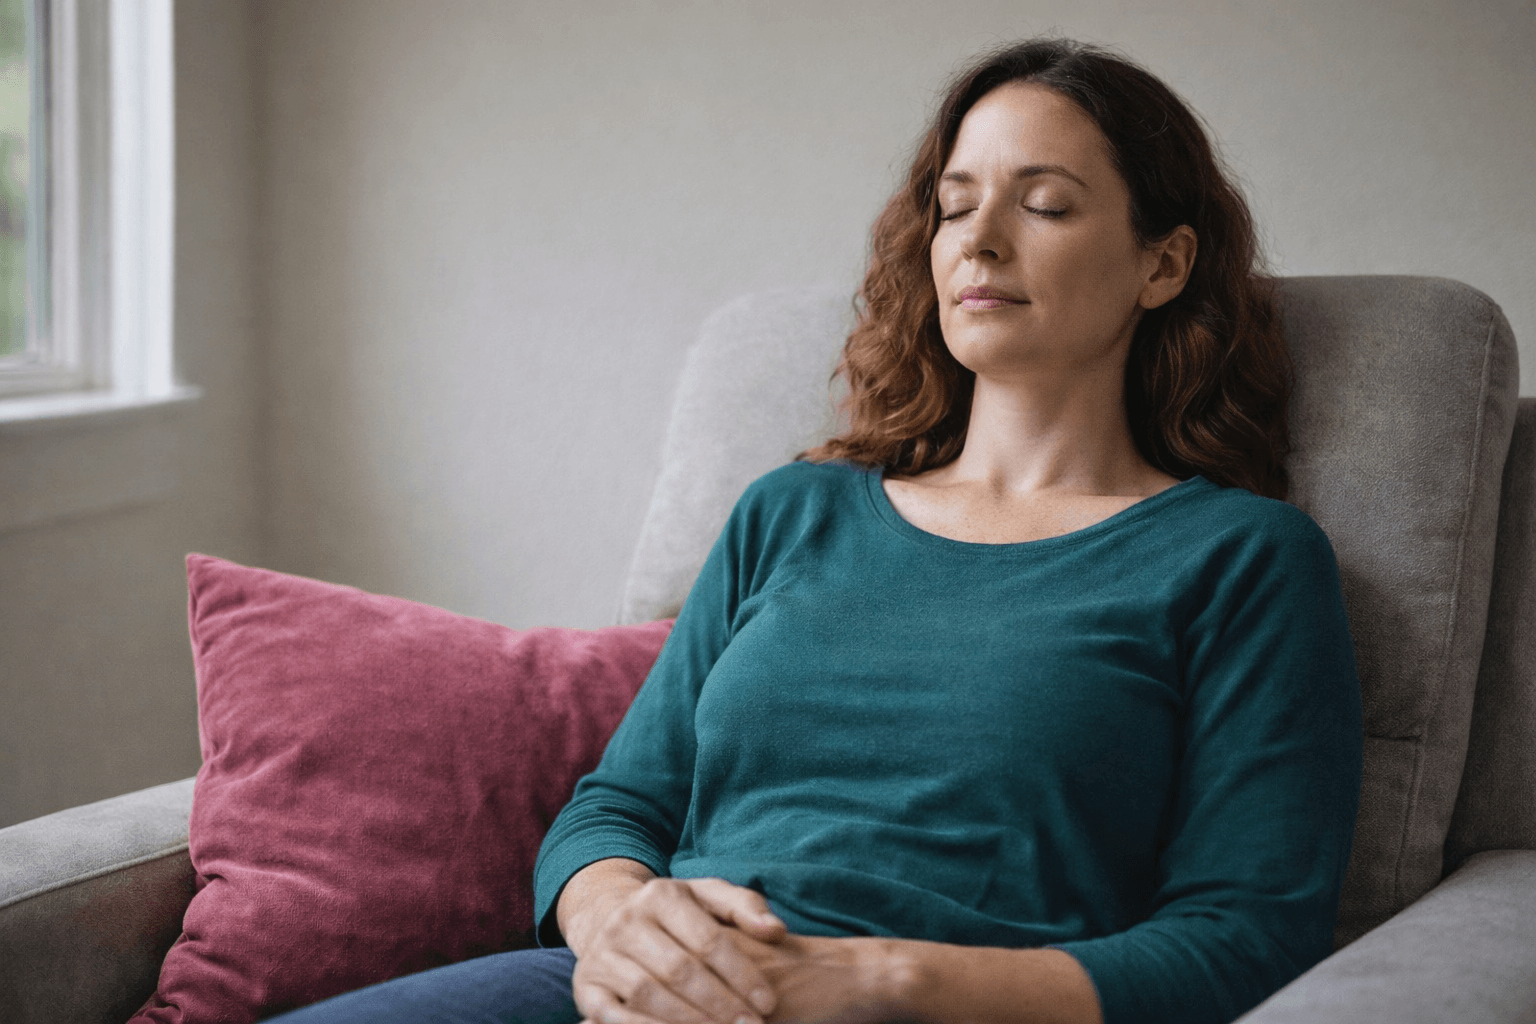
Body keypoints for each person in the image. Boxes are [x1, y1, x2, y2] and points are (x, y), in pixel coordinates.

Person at [273, 37, 1362, 1024]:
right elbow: (618, 803)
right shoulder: (793, 509)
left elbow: (1245, 941)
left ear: (1161, 265)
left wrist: (882, 980)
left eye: (1045, 205)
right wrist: (615, 921)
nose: (978, 240)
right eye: (956, 201)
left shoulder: (1240, 559)